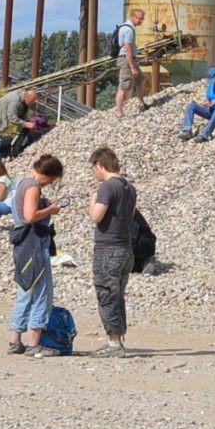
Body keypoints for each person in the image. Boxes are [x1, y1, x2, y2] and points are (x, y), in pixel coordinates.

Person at [7, 154, 64, 357]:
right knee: (42, 292)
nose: (50, 183)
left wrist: (45, 204)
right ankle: (34, 343)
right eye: (52, 179)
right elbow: (30, 216)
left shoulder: (22, 182)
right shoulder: (33, 186)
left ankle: (15, 340)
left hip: (22, 244)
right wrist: (51, 209)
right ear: (48, 174)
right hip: (34, 244)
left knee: (25, 290)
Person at [84, 145, 137, 356]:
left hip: (108, 248)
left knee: (106, 294)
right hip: (126, 248)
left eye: (93, 168)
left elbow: (96, 216)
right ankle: (118, 338)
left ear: (99, 164)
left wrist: (91, 203)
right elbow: (131, 215)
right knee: (118, 295)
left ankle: (113, 343)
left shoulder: (107, 187)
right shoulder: (129, 187)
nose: (94, 173)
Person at [0, 86, 41, 163]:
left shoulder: (24, 100)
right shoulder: (15, 100)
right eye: (33, 101)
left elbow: (22, 114)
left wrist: (25, 124)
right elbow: (12, 117)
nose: (34, 103)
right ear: (27, 98)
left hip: (3, 117)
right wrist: (25, 124)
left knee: (1, 138)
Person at [112, 7, 143, 113]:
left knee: (141, 79)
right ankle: (119, 112)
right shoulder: (128, 29)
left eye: (142, 19)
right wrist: (132, 67)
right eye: (139, 18)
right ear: (133, 17)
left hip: (129, 59)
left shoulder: (127, 27)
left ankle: (141, 103)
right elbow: (127, 49)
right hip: (126, 60)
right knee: (123, 87)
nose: (141, 21)